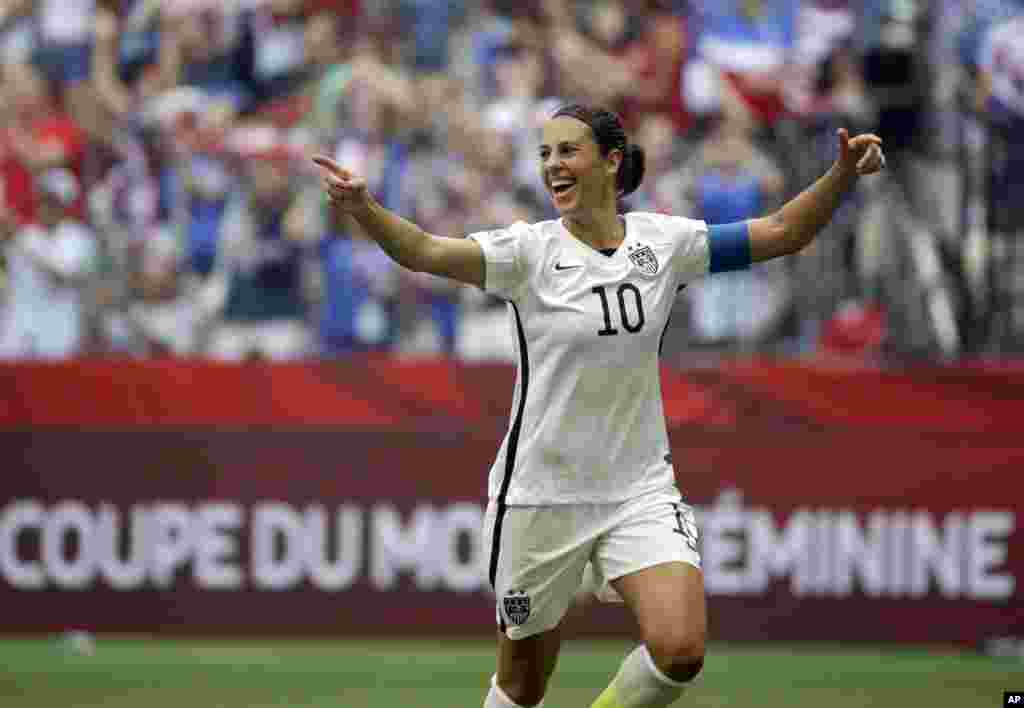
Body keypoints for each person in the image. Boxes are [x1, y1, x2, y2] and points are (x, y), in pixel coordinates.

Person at [314, 103, 885, 708]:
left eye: (567, 151)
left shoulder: (665, 242)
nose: (552, 166)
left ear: (612, 163)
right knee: (522, 686)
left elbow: (781, 233)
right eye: (545, 154)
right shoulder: (525, 254)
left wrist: (840, 176)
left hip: (637, 488)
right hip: (539, 498)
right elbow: (425, 251)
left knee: (681, 648)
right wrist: (366, 210)